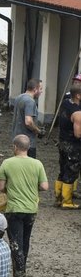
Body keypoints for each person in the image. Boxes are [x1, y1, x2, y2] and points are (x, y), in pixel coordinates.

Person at [0, 134, 49, 277]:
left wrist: (11, 188)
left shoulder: (7, 163)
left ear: (15, 147)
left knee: (15, 242)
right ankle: (21, 273)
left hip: (14, 208)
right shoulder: (37, 164)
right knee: (25, 241)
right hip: (31, 209)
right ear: (28, 147)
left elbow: (0, 187)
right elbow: (45, 186)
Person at [55, 81, 81, 209]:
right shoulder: (77, 113)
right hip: (73, 147)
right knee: (71, 173)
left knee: (62, 171)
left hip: (62, 142)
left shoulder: (65, 104)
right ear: (78, 96)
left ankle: (58, 198)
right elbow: (78, 134)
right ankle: (67, 201)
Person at [11, 79, 44, 158]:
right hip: (27, 143)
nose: (41, 91)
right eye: (41, 89)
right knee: (28, 168)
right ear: (35, 90)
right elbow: (28, 122)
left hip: (17, 140)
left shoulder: (19, 97)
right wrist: (38, 131)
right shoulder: (30, 101)